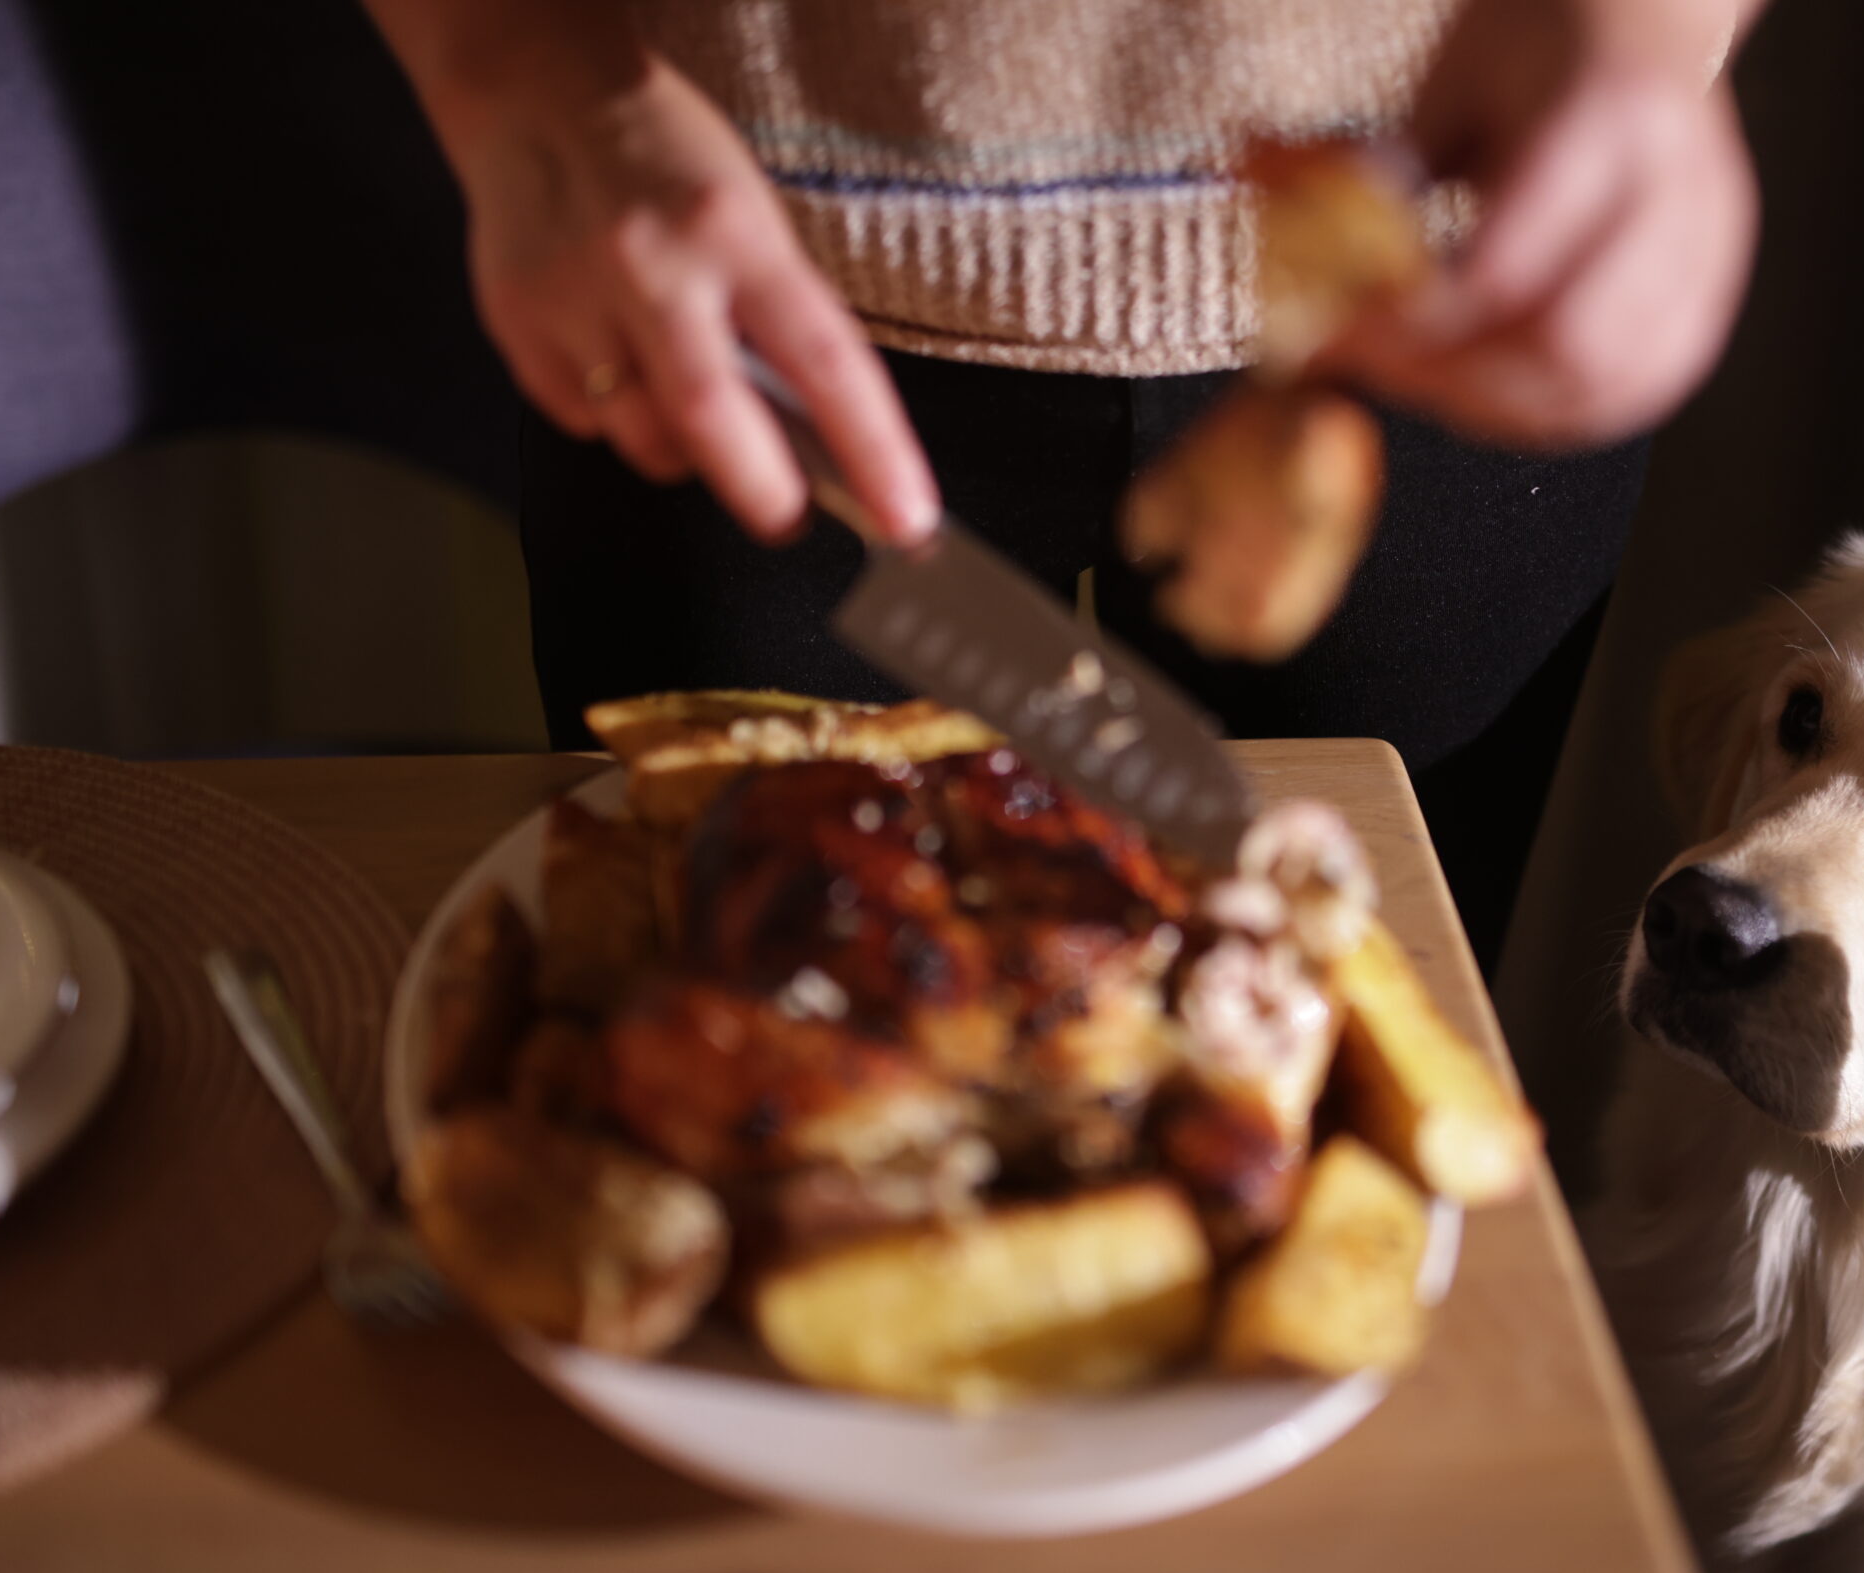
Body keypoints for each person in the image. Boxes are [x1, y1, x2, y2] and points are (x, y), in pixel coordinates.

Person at [359, 0, 1767, 966]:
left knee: (1351, 1022)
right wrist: (509, 59)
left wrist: (1646, 33)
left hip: (1459, 279)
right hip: (721, 272)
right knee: (707, 984)